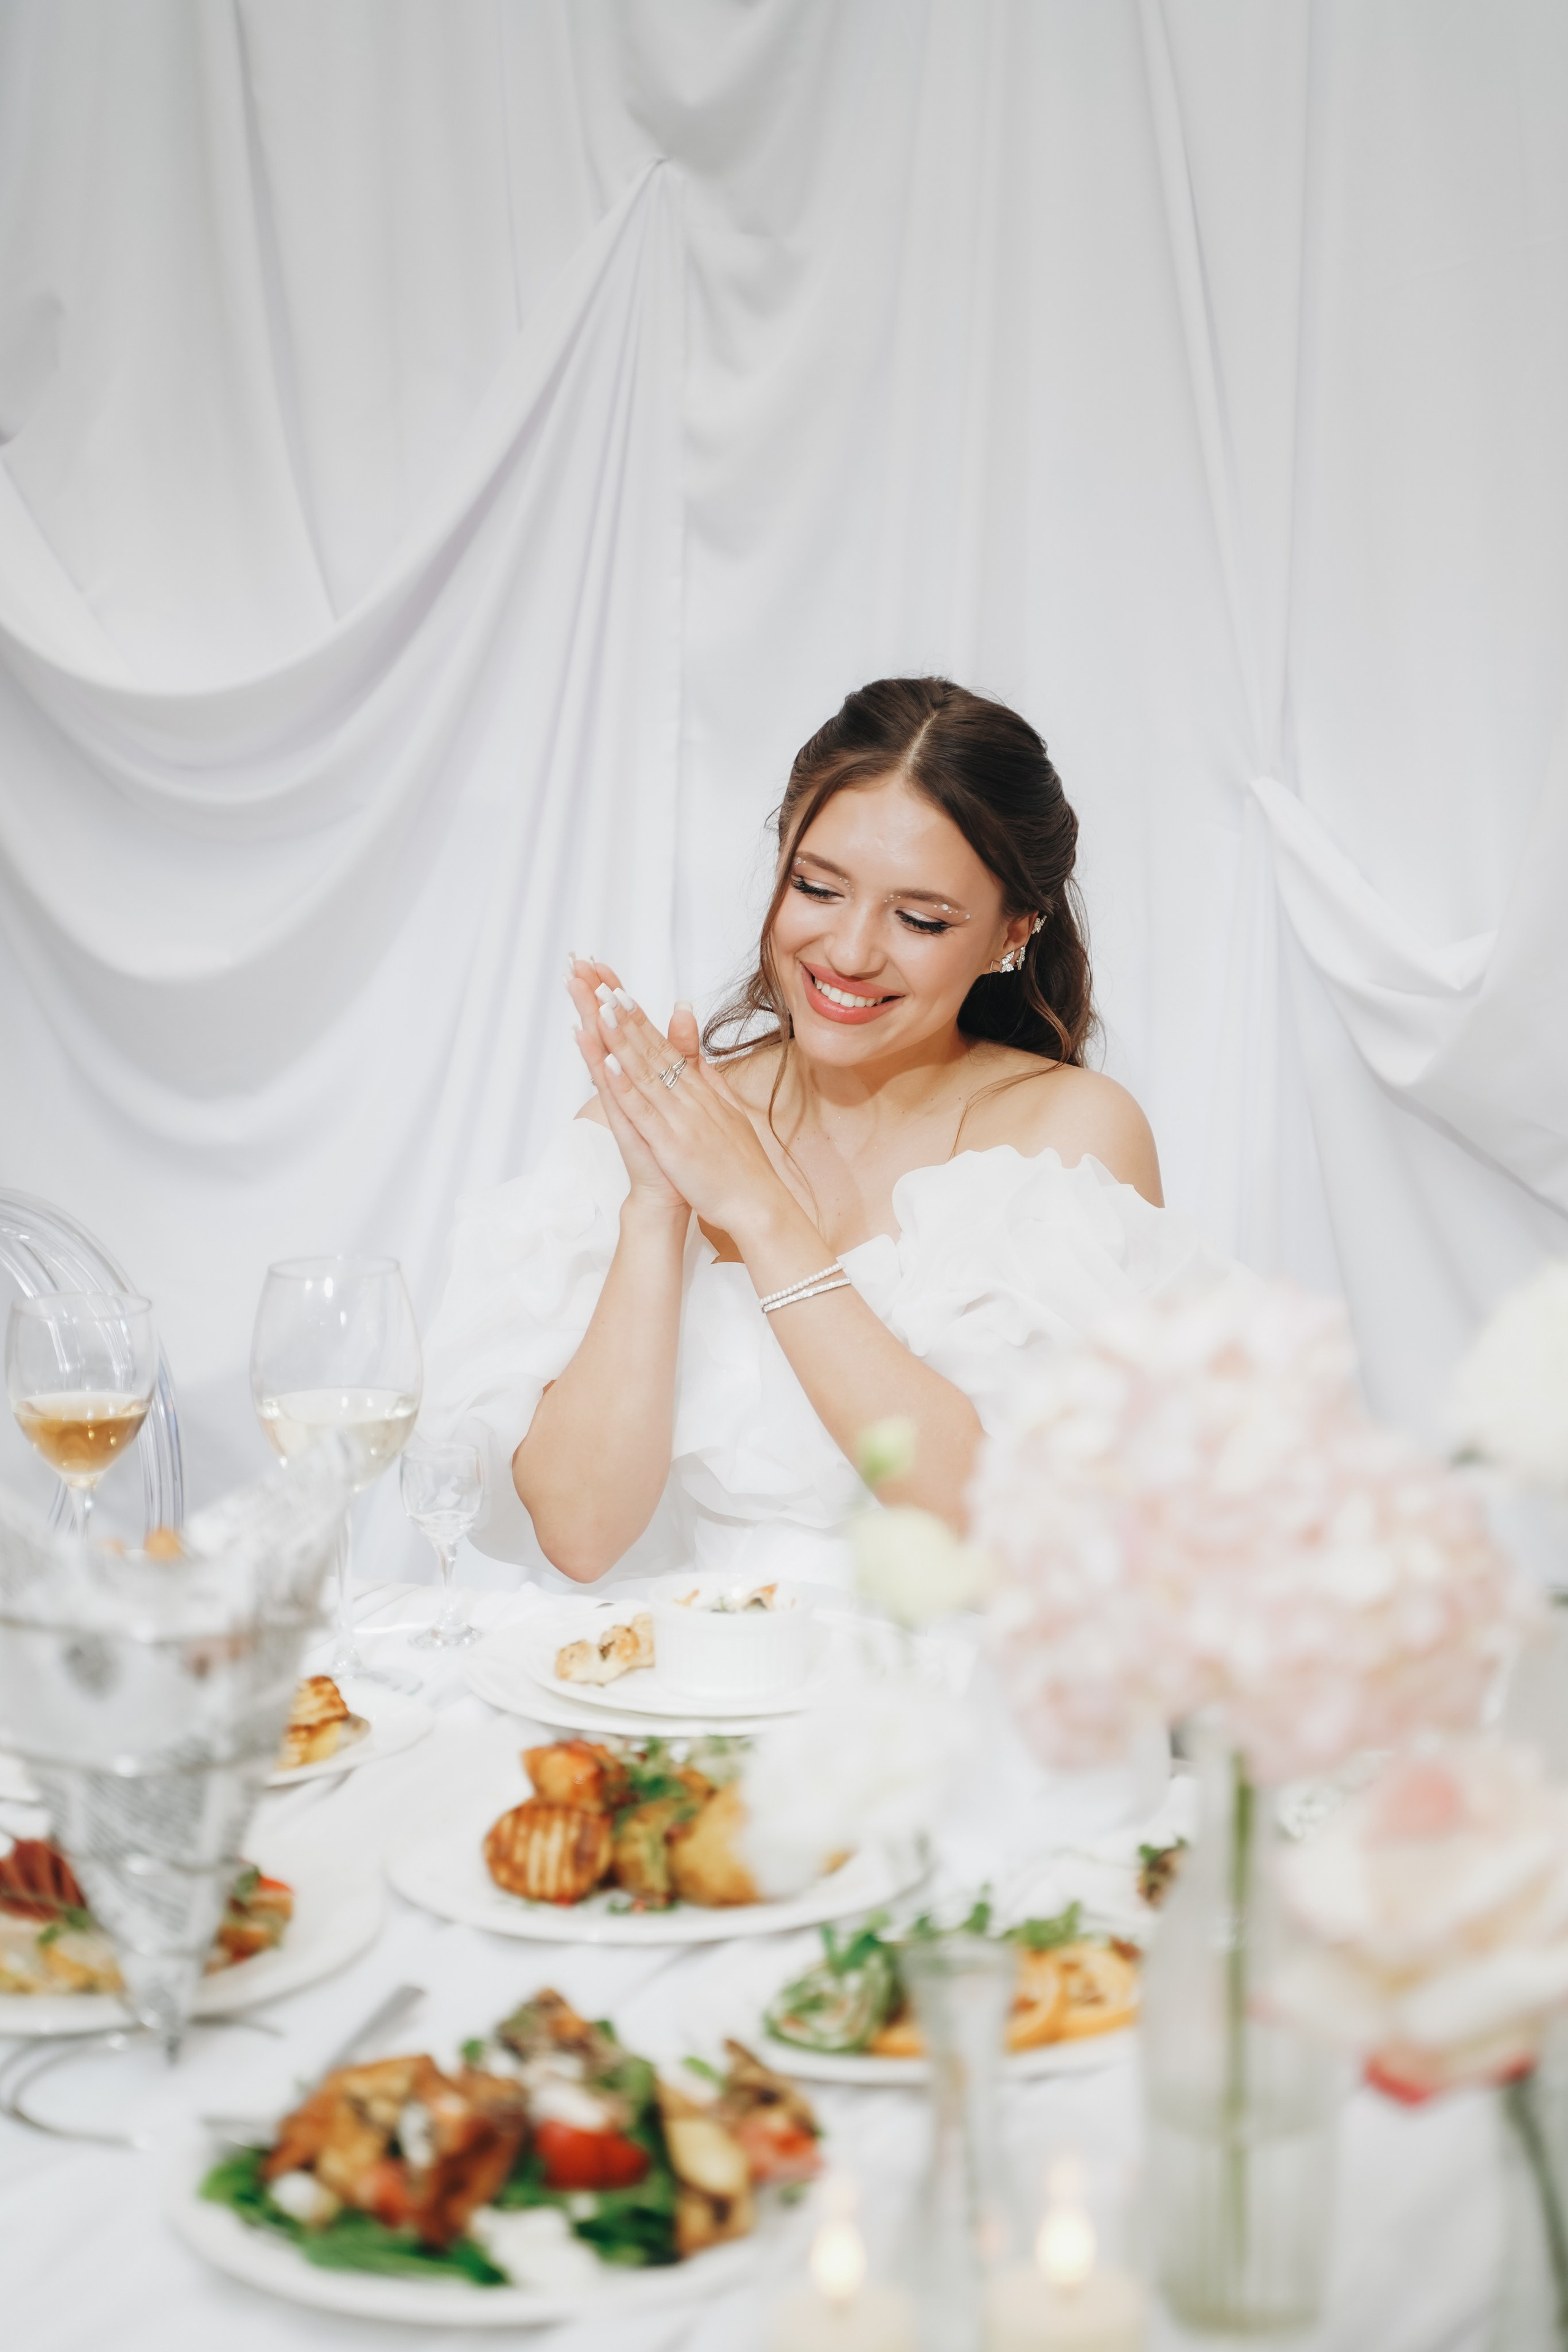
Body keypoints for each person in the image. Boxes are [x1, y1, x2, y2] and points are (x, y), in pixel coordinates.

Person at [422, 676, 1224, 1590]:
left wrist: (762, 1213)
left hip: (945, 1702)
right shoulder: (660, 1126)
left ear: (1013, 932)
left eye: (920, 919)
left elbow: (995, 1523)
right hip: (685, 1698)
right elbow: (580, 1533)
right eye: (818, 888)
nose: (849, 952)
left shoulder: (1070, 1132)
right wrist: (658, 1205)